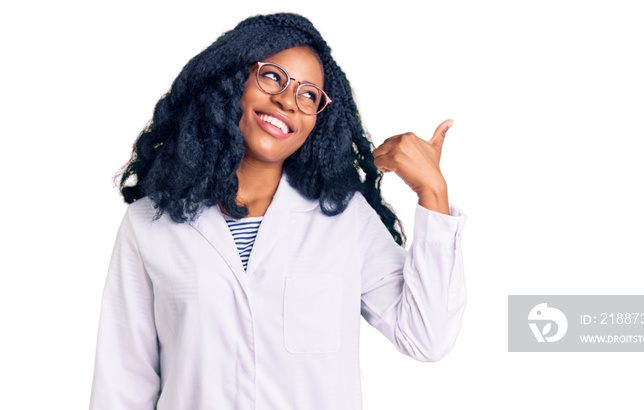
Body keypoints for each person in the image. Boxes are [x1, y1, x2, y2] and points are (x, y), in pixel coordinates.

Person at [89, 12, 466, 410]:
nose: (288, 100)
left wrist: (432, 192)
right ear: (233, 80)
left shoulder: (344, 218)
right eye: (272, 76)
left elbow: (427, 336)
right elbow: (122, 384)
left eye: (308, 95)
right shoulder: (150, 223)